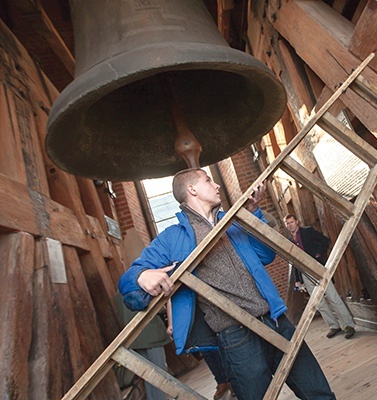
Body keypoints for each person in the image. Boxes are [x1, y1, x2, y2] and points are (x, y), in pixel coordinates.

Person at [118, 168, 335, 400]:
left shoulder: (232, 222)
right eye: (208, 180)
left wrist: (253, 214)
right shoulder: (172, 238)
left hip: (275, 321)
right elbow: (128, 283)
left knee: (318, 393)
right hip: (236, 336)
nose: (216, 185)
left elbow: (265, 255)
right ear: (192, 189)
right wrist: (142, 276)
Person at [284, 214, 356, 340]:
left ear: (296, 221)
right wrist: (297, 280)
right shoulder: (290, 241)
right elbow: (294, 261)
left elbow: (325, 240)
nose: (290, 225)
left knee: (333, 297)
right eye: (287, 223)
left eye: (291, 222)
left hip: (318, 269)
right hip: (305, 274)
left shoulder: (308, 231)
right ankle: (333, 326)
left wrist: (318, 255)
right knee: (318, 302)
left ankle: (348, 325)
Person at [165, 300, 234, 399]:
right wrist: (171, 323)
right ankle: (222, 382)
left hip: (205, 306)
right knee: (206, 350)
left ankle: (231, 380)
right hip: (191, 311)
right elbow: (170, 299)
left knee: (219, 346)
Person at [113, 291, 171, 400]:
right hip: (152, 335)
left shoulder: (118, 296)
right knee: (160, 373)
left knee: (148, 375)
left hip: (135, 340)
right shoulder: (144, 291)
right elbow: (158, 308)